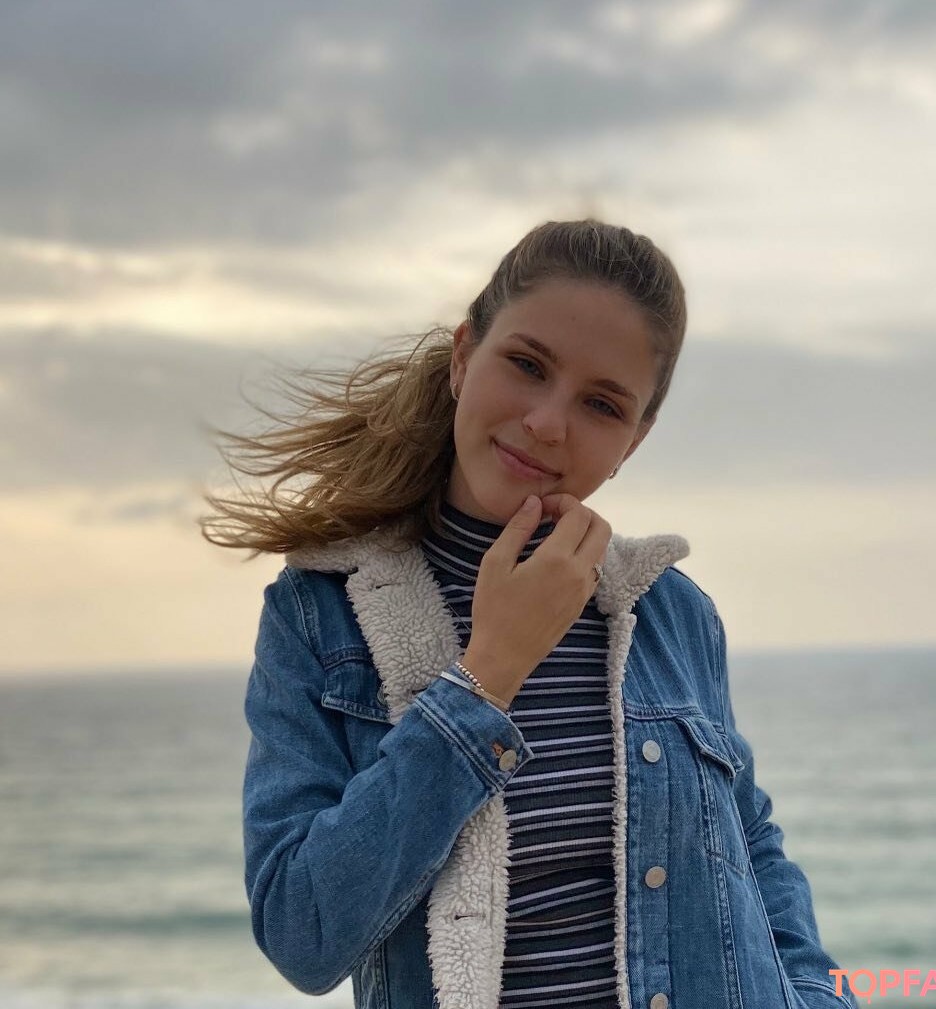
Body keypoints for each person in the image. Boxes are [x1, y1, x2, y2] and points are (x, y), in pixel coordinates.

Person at [201, 218, 859, 1009]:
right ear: (463, 356)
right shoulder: (319, 616)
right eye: (527, 365)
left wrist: (821, 996)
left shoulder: (670, 611)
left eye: (602, 404)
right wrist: (487, 675)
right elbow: (301, 933)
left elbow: (751, 844)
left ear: (633, 441)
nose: (548, 421)